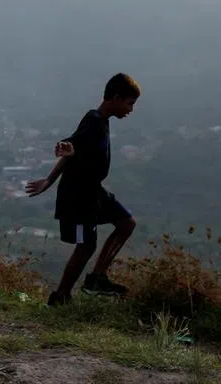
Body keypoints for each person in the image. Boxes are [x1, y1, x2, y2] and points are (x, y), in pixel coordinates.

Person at [25, 73, 141, 306]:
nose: (130, 109)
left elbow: (75, 149)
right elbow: (71, 147)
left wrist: (53, 174)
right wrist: (54, 172)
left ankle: (97, 278)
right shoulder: (94, 120)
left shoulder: (102, 121)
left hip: (94, 192)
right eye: (129, 103)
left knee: (127, 223)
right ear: (116, 97)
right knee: (86, 246)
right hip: (78, 197)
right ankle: (60, 297)